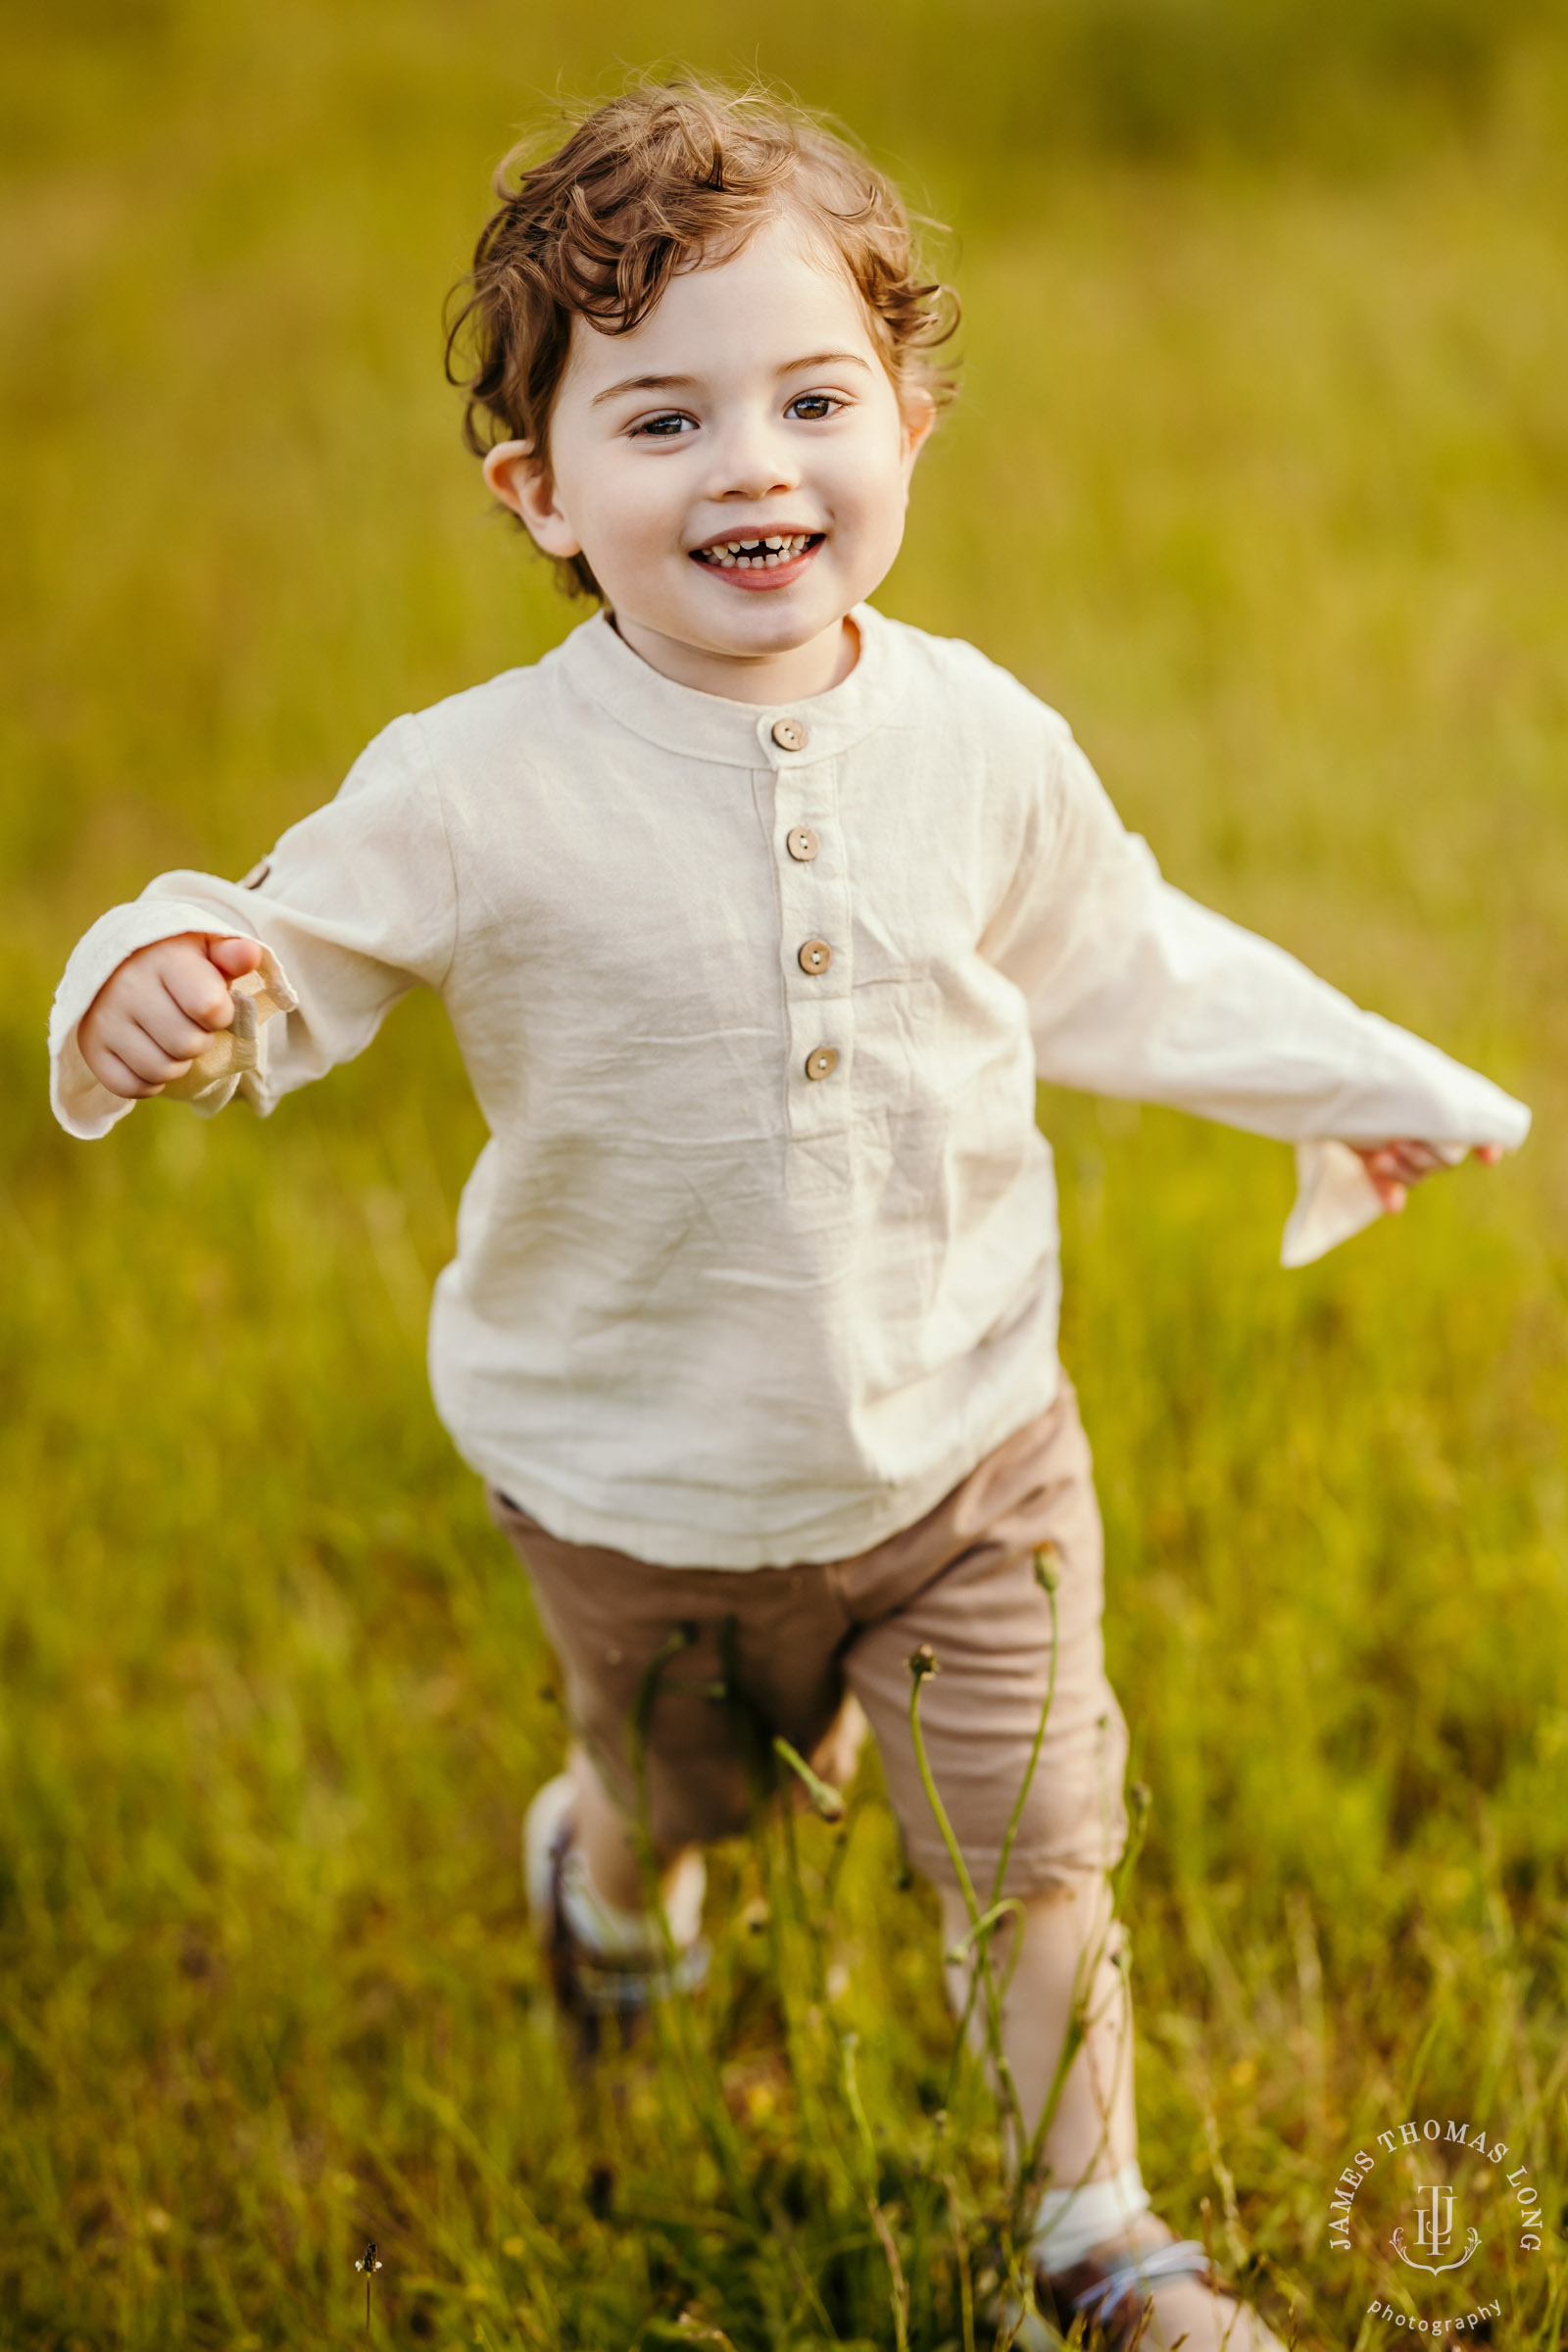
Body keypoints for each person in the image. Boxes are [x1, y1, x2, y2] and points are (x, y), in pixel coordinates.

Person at [48, 79, 1528, 2352]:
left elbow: (1124, 959)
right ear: (536, 488)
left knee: (1035, 1858)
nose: (752, 465)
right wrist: (158, 978)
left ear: (909, 421)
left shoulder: (978, 739)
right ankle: (605, 1882)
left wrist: (1377, 1077)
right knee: (681, 1816)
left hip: (964, 1454)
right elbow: (279, 943)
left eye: (811, 398)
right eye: (663, 419)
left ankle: (1097, 2242)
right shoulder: (479, 785)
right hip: (635, 1477)